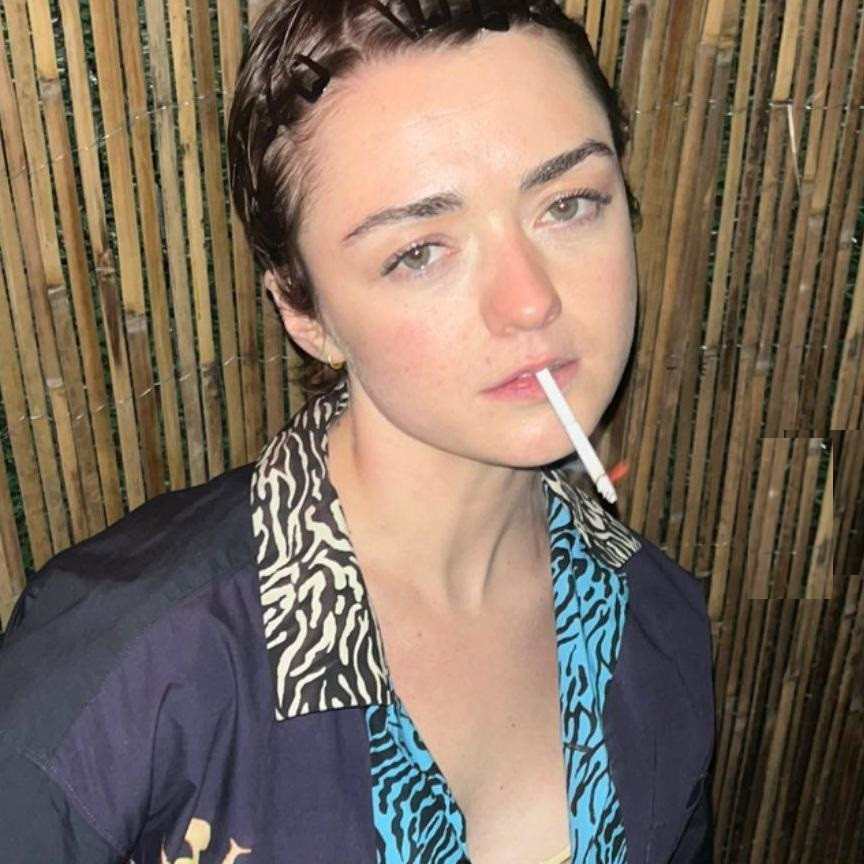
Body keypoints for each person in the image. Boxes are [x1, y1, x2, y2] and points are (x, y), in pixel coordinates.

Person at [0, 1, 714, 862]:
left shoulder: (658, 624)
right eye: (419, 251)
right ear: (304, 312)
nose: (530, 300)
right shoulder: (117, 684)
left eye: (568, 204)